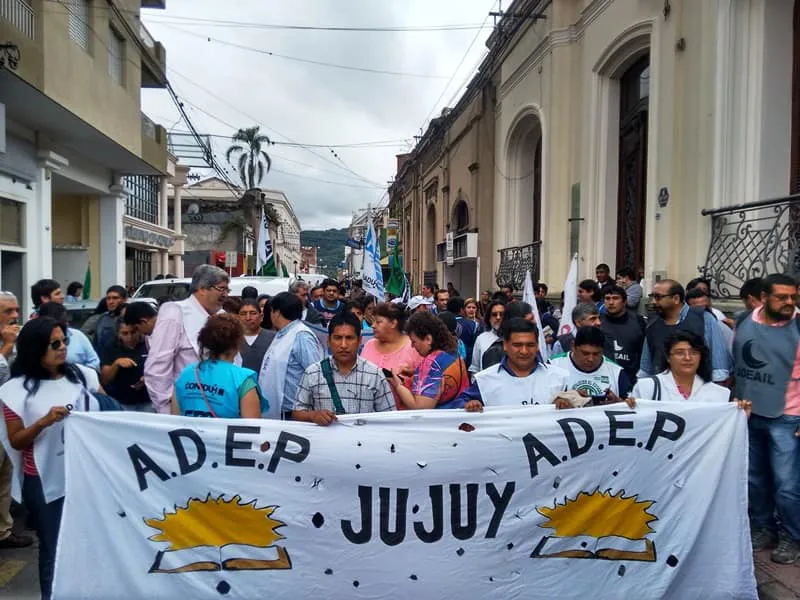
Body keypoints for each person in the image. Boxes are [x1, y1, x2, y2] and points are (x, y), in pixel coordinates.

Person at [1, 318, 102, 598]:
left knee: (87, 541)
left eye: (64, 341)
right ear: (35, 349)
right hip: (44, 481)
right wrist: (43, 422)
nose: (62, 348)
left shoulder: (82, 376)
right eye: (54, 344)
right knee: (53, 546)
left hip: (85, 474)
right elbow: (16, 440)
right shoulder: (16, 390)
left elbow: (105, 412)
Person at [732, 273, 800, 564]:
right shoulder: (743, 321)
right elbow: (737, 365)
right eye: (781, 297)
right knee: (754, 478)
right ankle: (763, 528)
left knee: (787, 484)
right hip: (749, 414)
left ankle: (792, 535)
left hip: (787, 416)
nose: (789, 302)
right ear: (764, 297)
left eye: (793, 297)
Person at [145, 265, 230, 414]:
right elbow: (158, 367)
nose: (225, 295)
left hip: (219, 405)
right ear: (202, 289)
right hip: (185, 408)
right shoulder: (175, 312)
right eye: (221, 289)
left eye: (227, 290)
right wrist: (167, 408)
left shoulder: (221, 317)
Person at [293, 313, 395, 425]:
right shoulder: (313, 373)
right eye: (338, 338)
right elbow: (297, 412)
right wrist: (313, 416)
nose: (343, 345)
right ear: (328, 341)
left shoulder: (375, 375)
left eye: (349, 338)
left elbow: (390, 417)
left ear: (360, 340)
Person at [172, 314, 267, 418]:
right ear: (237, 343)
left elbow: (175, 419)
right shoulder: (243, 380)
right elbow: (252, 425)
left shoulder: (186, 373)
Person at [460, 319, 569, 410]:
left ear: (537, 346)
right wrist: (470, 404)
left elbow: (575, 404)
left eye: (530, 345)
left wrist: (568, 402)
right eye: (517, 345)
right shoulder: (485, 380)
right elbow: (459, 403)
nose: (524, 351)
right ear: (505, 345)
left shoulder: (560, 378)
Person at [639, 279, 730, 383]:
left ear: (676, 298)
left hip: (699, 389)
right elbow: (646, 368)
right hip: (662, 389)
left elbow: (719, 368)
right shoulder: (653, 324)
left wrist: (714, 388)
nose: (653, 302)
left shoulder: (704, 319)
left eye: (658, 297)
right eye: (653, 297)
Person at [258, 292, 324, 420]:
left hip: (293, 413)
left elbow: (315, 373)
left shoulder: (301, 336)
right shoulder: (282, 333)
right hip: (277, 411)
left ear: (276, 312)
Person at [0, 292, 31, 550]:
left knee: (5, 478)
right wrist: (7, 348)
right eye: (8, 311)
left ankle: (3, 530)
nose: (14, 316)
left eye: (16, 310)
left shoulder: (15, 340)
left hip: (8, 421)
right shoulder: (8, 344)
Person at [390, 311, 469, 409]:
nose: (412, 346)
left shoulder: (431, 363)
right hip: (458, 414)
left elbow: (421, 407)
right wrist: (415, 373)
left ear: (428, 339)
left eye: (414, 341)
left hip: (438, 418)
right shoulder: (455, 355)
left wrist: (398, 385)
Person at [630, 330, 730, 403]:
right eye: (680, 353)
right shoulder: (646, 387)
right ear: (668, 357)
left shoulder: (719, 394)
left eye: (693, 353)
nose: (687, 358)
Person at [360, 302, 422, 409]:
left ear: (393, 323)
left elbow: (424, 383)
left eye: (378, 322)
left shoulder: (413, 347)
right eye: (373, 321)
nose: (373, 325)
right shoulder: (369, 345)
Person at [549, 326, 630, 404]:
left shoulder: (617, 373)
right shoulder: (553, 366)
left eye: (596, 354)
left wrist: (618, 403)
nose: (591, 359)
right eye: (585, 353)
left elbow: (631, 405)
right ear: (573, 347)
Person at [100, 321, 151, 411]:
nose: (129, 337)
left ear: (139, 331)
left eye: (133, 332)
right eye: (125, 333)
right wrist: (116, 364)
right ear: (118, 334)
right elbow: (105, 380)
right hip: (122, 402)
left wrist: (148, 378)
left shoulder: (148, 344)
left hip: (148, 400)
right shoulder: (111, 347)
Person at [600, 285, 646, 383]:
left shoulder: (639, 322)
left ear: (624, 301)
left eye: (615, 298)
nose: (611, 302)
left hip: (631, 379)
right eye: (607, 298)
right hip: (603, 378)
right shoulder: (598, 322)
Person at [38, 303, 100, 371]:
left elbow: (94, 361)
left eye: (66, 320)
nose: (62, 347)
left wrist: (82, 373)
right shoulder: (38, 339)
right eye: (62, 322)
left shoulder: (78, 335)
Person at [238, 298, 275, 372]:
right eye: (243, 314)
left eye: (253, 313)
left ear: (261, 317)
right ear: (238, 317)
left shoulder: (274, 338)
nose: (248, 318)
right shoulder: (231, 339)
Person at [470, 299, 506, 374]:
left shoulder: (513, 338)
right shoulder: (481, 339)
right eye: (494, 314)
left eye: (502, 314)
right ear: (489, 318)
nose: (498, 317)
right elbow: (475, 368)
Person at [88, 285, 128, 352]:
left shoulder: (132, 317)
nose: (111, 302)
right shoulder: (102, 318)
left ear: (124, 299)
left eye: (115, 298)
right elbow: (97, 342)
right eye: (108, 298)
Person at [448, 296, 479, 365]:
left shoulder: (444, 322)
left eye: (473, 307)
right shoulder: (473, 325)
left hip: (449, 362)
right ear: (462, 309)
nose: (471, 310)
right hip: (468, 361)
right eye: (468, 307)